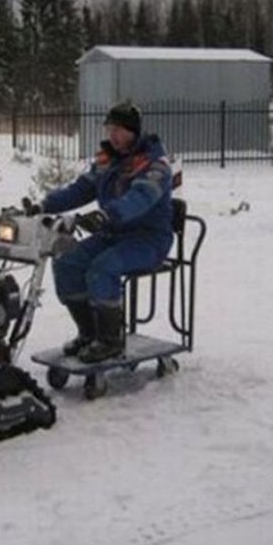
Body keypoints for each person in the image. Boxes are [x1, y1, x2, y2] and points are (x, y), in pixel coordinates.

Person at [22, 101, 174, 363]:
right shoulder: (108, 161)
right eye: (109, 129)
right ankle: (89, 332)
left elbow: (139, 199)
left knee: (102, 268)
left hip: (148, 240)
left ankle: (110, 340)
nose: (112, 135)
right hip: (113, 234)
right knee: (67, 262)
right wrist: (44, 205)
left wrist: (107, 215)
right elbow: (81, 189)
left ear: (134, 132)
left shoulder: (155, 166)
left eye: (119, 130)